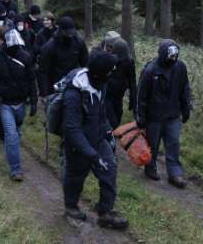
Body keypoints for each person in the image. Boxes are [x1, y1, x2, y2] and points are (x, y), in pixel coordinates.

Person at [62, 51, 128, 229]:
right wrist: (92, 155)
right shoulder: (74, 94)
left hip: (98, 139)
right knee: (76, 176)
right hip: (78, 146)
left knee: (110, 170)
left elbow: (100, 112)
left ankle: (105, 212)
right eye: (110, 72)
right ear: (100, 73)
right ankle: (71, 206)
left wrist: (108, 131)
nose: (112, 76)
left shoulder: (102, 84)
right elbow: (72, 129)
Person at [137, 39, 192, 188]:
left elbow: (185, 89)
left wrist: (186, 108)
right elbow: (141, 96)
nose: (173, 59)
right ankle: (150, 166)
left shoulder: (180, 67)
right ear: (163, 54)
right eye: (171, 56)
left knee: (173, 143)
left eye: (176, 56)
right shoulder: (150, 70)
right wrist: (140, 117)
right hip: (154, 117)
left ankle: (175, 173)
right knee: (152, 145)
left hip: (173, 115)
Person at [0, 29, 37, 181]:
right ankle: (15, 169)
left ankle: (12, 152)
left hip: (21, 103)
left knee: (16, 132)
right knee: (11, 134)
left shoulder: (26, 57)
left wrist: (34, 102)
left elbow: (32, 80)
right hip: (4, 103)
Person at [39, 16, 89, 97]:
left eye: (71, 32)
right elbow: (43, 71)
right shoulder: (50, 46)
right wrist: (45, 93)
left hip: (75, 82)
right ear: (61, 30)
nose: (70, 35)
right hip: (56, 83)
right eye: (67, 32)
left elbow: (85, 63)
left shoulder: (79, 42)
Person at [105, 38, 137, 129]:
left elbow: (132, 81)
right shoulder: (108, 59)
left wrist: (133, 99)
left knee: (118, 115)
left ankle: (113, 135)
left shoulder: (129, 62)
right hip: (107, 94)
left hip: (119, 94)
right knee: (112, 120)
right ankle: (109, 135)